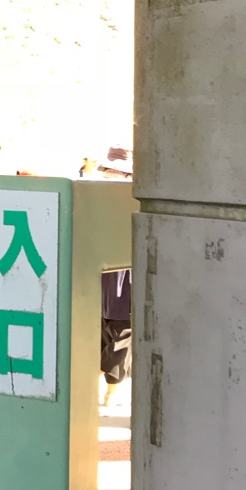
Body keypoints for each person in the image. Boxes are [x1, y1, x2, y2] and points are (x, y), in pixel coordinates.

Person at [93, 146, 133, 404]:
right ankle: (110, 391)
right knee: (120, 331)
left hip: (107, 274)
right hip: (118, 274)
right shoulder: (127, 198)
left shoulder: (98, 196)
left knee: (111, 330)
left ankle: (105, 389)